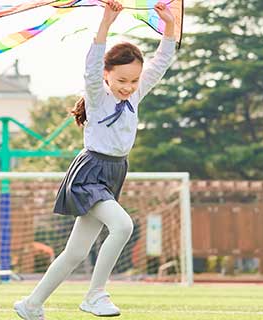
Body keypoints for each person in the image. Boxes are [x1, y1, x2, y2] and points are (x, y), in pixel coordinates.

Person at [15, 1, 177, 318]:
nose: (128, 87)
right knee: (122, 225)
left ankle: (30, 304)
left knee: (75, 251)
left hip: (115, 172)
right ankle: (95, 294)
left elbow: (162, 61)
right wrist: (106, 21)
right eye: (121, 81)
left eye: (133, 81)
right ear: (106, 76)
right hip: (90, 173)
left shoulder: (137, 92)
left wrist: (169, 25)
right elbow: (91, 63)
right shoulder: (97, 93)